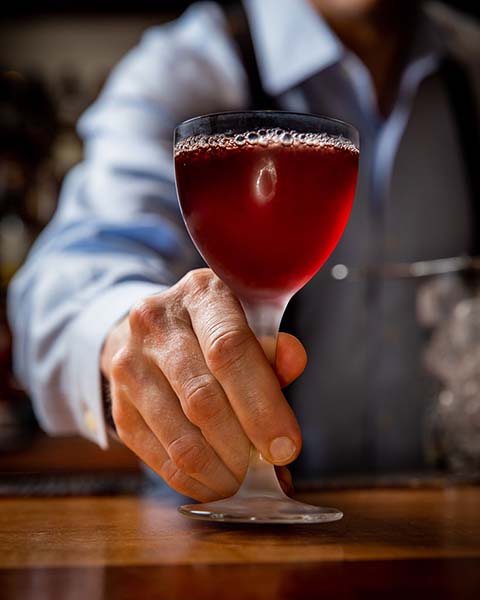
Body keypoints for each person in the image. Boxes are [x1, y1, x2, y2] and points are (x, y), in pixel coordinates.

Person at [8, 0, 479, 500]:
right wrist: (129, 333)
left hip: (437, 531)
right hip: (218, 554)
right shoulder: (185, 67)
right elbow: (64, 289)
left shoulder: (470, 67)